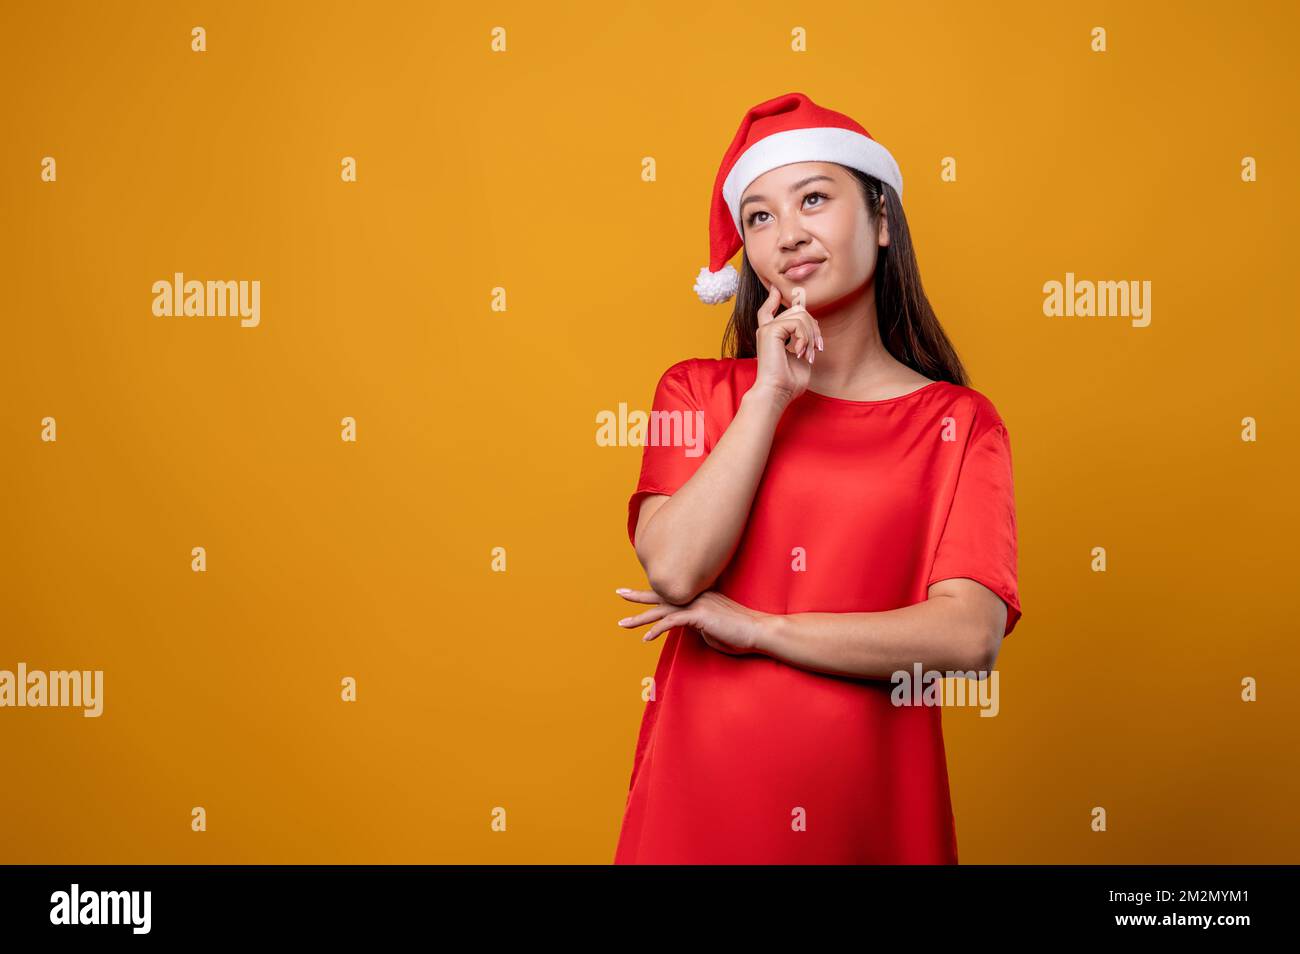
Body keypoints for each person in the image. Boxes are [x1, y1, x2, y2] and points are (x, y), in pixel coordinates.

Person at [612, 91, 1023, 864]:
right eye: (760, 217)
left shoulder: (961, 424)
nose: (789, 234)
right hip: (700, 799)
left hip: (872, 807)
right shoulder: (697, 393)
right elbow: (673, 569)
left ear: (880, 219)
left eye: (813, 199)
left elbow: (970, 639)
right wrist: (768, 394)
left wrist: (763, 629)